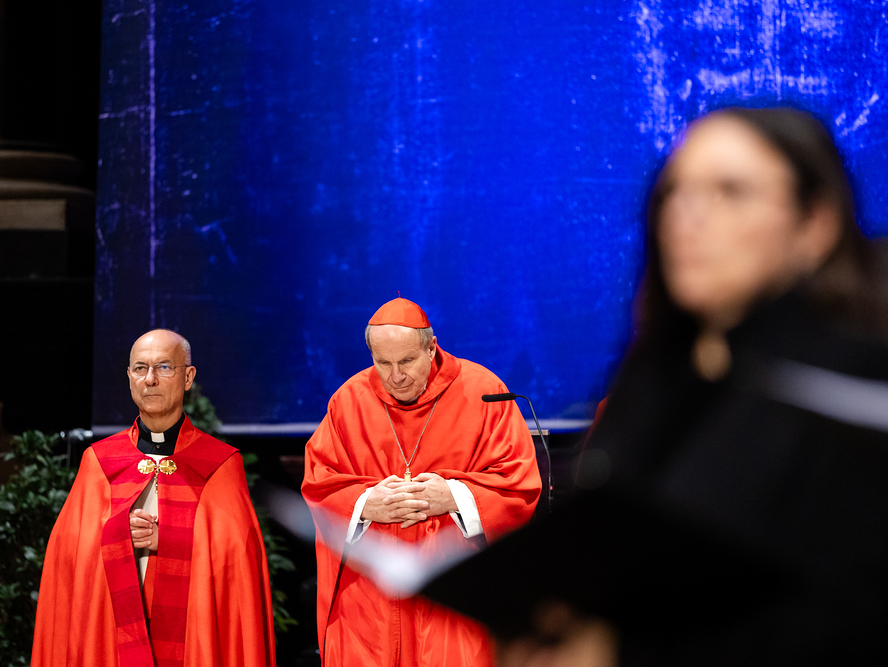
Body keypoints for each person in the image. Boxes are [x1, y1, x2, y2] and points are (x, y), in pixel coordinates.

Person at [421, 106, 888, 666]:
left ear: (815, 224)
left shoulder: (854, 388)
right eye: (674, 192)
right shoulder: (654, 379)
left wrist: (623, 654)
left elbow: (848, 615)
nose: (687, 217)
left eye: (731, 191)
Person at [301, 296, 543, 667]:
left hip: (454, 589)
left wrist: (455, 496)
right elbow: (320, 482)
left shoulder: (484, 391)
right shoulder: (349, 401)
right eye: (383, 363)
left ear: (431, 348)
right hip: (372, 596)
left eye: (406, 361)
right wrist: (364, 503)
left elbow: (518, 482)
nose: (395, 376)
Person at [32, 329, 276, 667]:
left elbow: (236, 561)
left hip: (191, 631)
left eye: (164, 367)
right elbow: (70, 560)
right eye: (140, 368)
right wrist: (118, 534)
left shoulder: (220, 463)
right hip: (114, 629)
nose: (150, 379)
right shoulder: (99, 461)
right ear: (129, 378)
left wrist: (168, 539)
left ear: (187, 377)